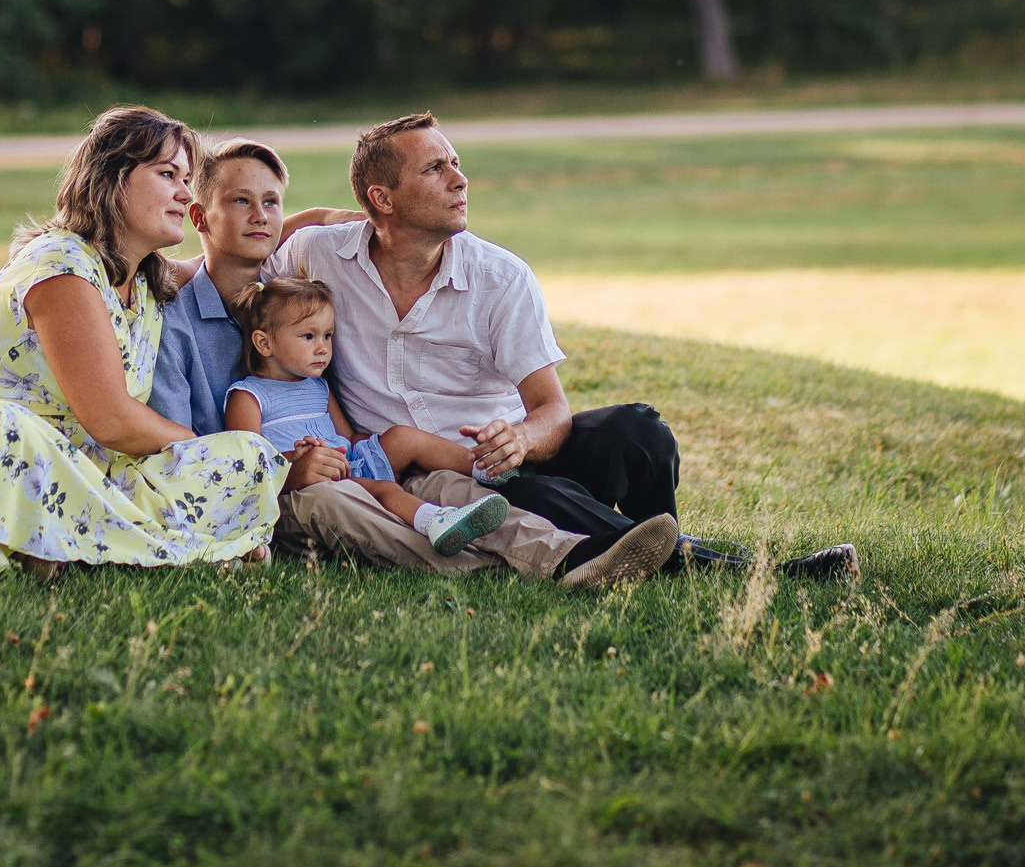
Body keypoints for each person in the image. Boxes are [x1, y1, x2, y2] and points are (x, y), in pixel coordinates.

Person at [267, 113, 861, 584]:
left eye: (456, 164)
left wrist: (521, 439)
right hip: (432, 477)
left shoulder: (500, 277)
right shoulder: (321, 256)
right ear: (383, 198)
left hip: (509, 451)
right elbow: (255, 244)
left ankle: (648, 547)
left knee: (639, 432)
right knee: (544, 497)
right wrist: (332, 216)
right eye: (435, 169)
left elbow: (551, 410)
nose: (460, 180)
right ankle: (729, 568)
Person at [0, 106, 286, 582]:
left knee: (247, 456)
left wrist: (343, 224)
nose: (185, 193)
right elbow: (111, 419)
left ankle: (79, 546)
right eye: (168, 175)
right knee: (3, 426)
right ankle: (181, 546)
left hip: (86, 476)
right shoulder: (61, 265)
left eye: (187, 179)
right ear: (114, 178)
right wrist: (194, 449)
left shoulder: (146, 280)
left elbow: (232, 253)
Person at [151, 137, 584, 582]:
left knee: (435, 483)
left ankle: (572, 553)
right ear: (199, 217)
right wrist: (290, 473)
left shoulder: (288, 295)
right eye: (241, 201)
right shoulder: (175, 321)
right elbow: (177, 454)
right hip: (280, 492)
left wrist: (335, 217)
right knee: (336, 499)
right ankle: (496, 570)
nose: (260, 215)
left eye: (271, 202)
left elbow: (289, 232)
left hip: (346, 466)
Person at [223, 277, 513, 554]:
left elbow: (348, 437)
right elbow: (245, 467)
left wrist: (386, 448)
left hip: (349, 464)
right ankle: (435, 521)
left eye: (327, 336)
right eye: (308, 336)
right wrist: (294, 460)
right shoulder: (249, 397)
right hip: (316, 482)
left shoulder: (318, 387)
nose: (323, 348)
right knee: (385, 489)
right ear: (264, 344)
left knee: (402, 437)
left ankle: (487, 466)